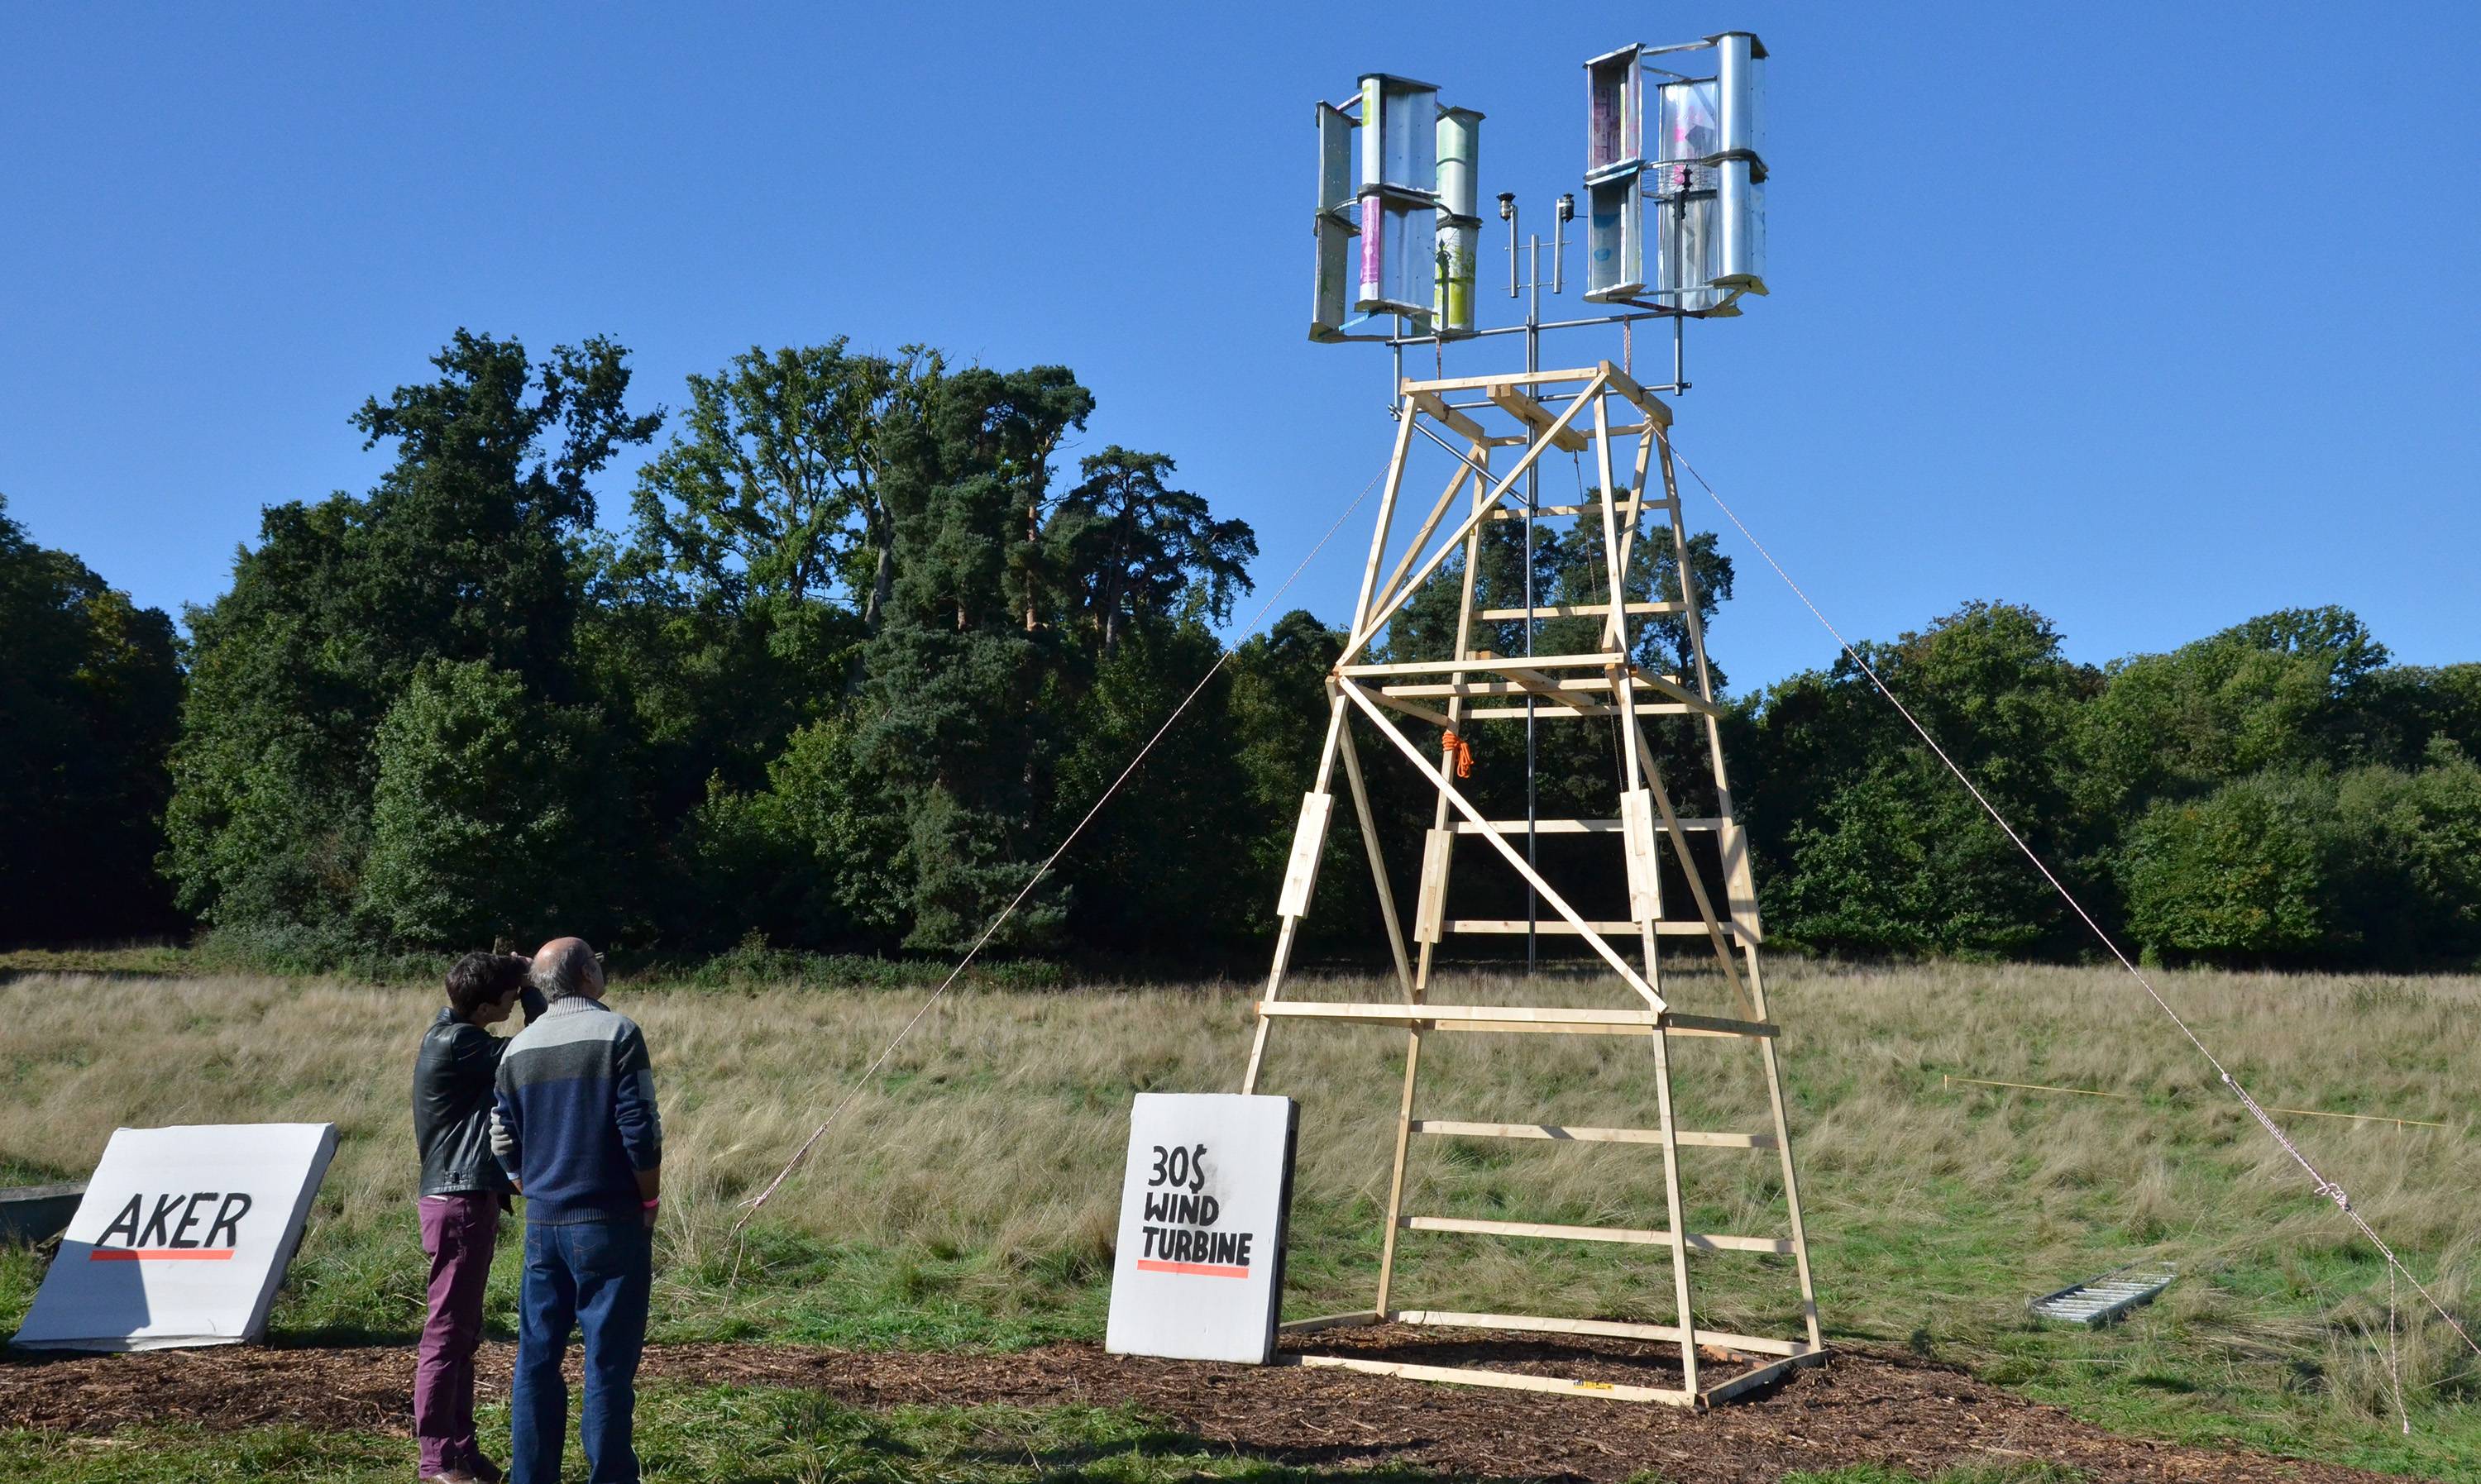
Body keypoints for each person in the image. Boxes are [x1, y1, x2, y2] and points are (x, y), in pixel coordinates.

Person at [490, 938, 662, 1484]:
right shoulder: (618, 1033)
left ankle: (531, 1475)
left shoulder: (517, 1048)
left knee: (537, 1360)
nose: (602, 967)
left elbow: (501, 1139)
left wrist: (531, 1184)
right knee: (607, 1364)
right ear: (586, 973)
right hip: (608, 1216)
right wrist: (649, 1199)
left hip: (543, 1220)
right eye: (598, 960)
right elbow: (641, 1132)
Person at [412, 951, 544, 1484]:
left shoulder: (455, 1035)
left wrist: (517, 977)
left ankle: (460, 1451)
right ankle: (436, 1459)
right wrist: (537, 984)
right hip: (459, 1200)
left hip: (462, 1198)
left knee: (462, 1332)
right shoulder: (459, 1043)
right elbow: (538, 1048)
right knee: (447, 1333)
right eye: (510, 995)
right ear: (487, 1003)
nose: (515, 1001)